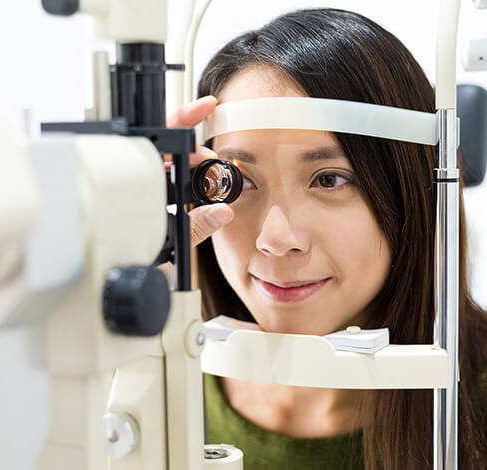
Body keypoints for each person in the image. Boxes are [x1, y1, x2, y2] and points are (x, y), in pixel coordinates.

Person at [166, 8, 487, 469]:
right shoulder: (154, 376)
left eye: (330, 179)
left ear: (411, 193)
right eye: (236, 181)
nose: (277, 239)